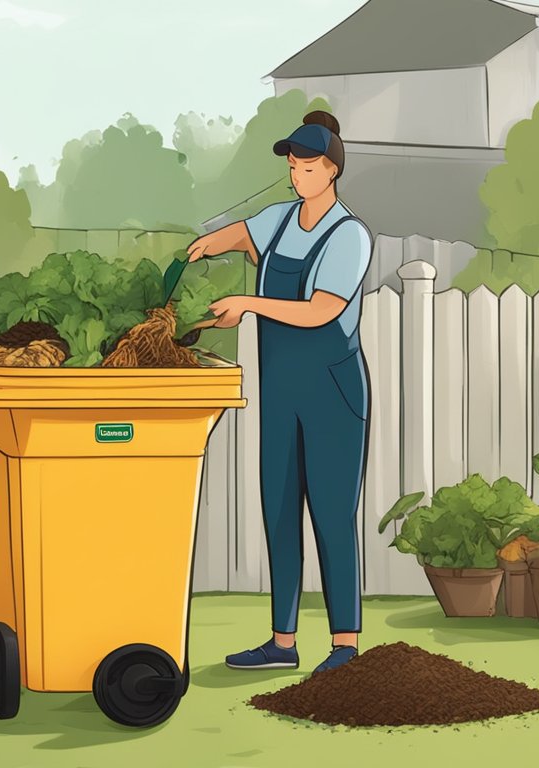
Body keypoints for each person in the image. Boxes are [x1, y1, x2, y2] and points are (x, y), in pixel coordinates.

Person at [187, 110, 372, 675]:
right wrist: (200, 248)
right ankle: (282, 643)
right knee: (279, 509)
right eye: (292, 166)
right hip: (282, 392)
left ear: (332, 169)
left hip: (333, 395)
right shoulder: (280, 220)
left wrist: (246, 304)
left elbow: (321, 311)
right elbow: (240, 234)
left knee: (333, 516)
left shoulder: (350, 236)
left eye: (307, 166)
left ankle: (345, 645)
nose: (297, 176)